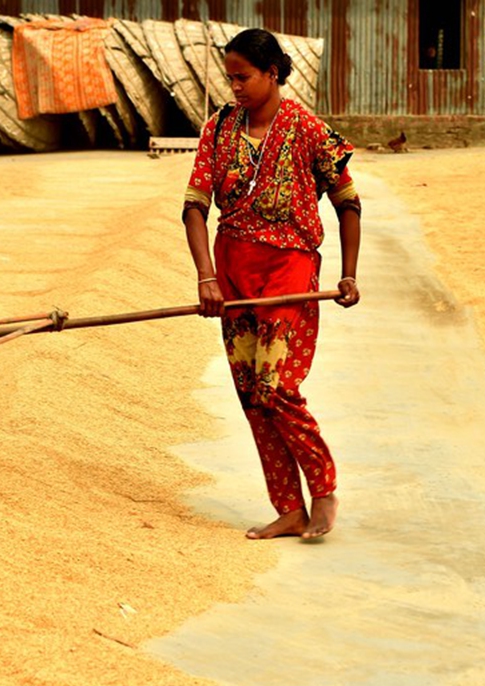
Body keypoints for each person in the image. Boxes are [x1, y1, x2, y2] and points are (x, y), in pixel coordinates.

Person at [182, 28, 362, 541]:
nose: (234, 87)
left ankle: (323, 487)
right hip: (233, 270)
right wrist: (207, 278)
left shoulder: (307, 129)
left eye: (243, 77)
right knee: (251, 395)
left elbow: (348, 202)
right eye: (230, 78)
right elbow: (194, 207)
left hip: (289, 272)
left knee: (278, 386)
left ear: (273, 74)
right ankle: (289, 508)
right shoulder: (218, 129)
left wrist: (348, 274)